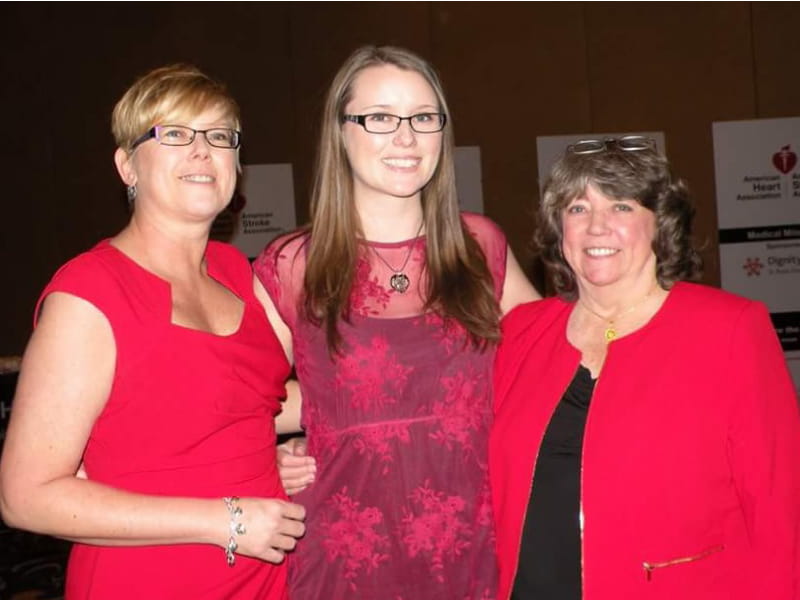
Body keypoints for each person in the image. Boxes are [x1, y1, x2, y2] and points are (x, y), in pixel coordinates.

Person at [0, 64, 305, 599]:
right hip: (150, 582)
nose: (201, 150)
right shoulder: (91, 292)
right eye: (174, 134)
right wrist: (224, 520)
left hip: (265, 579)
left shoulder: (238, 273)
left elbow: (247, 407)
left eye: (219, 136)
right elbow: (26, 496)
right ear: (126, 166)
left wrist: (300, 447)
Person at [253, 45, 539, 600]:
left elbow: (549, 368)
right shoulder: (293, 264)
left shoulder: (481, 246)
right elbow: (228, 403)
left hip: (480, 550)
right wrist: (264, 459)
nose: (405, 137)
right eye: (380, 117)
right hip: (345, 561)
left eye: (423, 118)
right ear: (341, 131)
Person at [490, 136, 800, 599]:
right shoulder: (522, 334)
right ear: (559, 229)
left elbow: (781, 507)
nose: (596, 227)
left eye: (620, 207)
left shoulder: (729, 329)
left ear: (660, 224)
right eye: (577, 209)